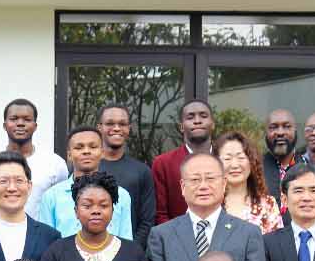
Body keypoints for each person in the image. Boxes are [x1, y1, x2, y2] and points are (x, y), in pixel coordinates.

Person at [148, 152, 267, 261]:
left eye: (210, 178)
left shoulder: (248, 233)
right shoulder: (161, 235)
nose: (203, 186)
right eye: (195, 180)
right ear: (182, 187)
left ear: (224, 183)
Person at [37, 127, 135, 240]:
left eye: (93, 147)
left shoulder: (121, 195)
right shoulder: (51, 196)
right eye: (79, 147)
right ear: (69, 154)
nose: (86, 151)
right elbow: (46, 241)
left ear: (102, 152)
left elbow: (126, 240)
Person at [0, 97, 68, 219]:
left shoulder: (54, 163)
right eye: (14, 119)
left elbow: (61, 206)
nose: (20, 123)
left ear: (35, 126)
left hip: (43, 230)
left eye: (27, 119)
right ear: (5, 125)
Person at [97, 104, 157, 248]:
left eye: (122, 124)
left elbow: (147, 221)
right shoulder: (84, 169)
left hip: (128, 253)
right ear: (99, 127)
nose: (117, 128)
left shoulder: (142, 171)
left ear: (129, 128)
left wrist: (131, 251)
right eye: (110, 123)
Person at [153, 100, 215, 224]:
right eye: (190, 117)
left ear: (213, 124)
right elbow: (160, 213)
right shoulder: (163, 164)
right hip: (176, 234)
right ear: (181, 126)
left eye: (203, 116)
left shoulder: (226, 160)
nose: (197, 121)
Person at [214, 131, 281, 235]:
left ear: (252, 162)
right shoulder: (207, 203)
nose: (235, 165)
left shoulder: (268, 204)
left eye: (241, 158)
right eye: (227, 158)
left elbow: (278, 243)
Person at [262, 109, 298, 202]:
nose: (280, 133)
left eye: (287, 127)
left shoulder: (309, 167)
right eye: (273, 127)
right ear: (265, 133)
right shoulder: (254, 169)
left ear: (295, 130)